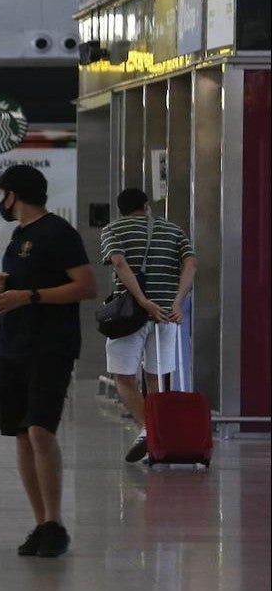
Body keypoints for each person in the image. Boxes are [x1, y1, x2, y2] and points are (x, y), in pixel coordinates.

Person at [0, 165, 96, 558]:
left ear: (14, 195)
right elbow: (29, 283)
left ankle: (54, 521)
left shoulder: (58, 233)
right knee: (20, 432)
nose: (1, 201)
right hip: (12, 346)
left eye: (3, 194)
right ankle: (40, 524)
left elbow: (85, 285)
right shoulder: (19, 236)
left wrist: (28, 296)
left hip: (49, 347)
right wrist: (7, 287)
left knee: (40, 431)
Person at [99, 188, 197, 463]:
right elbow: (191, 263)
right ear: (146, 205)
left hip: (129, 314)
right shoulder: (173, 230)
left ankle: (151, 431)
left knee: (124, 378)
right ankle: (157, 433)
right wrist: (177, 302)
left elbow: (118, 262)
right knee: (156, 378)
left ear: (122, 209)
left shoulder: (113, 229)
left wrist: (142, 300)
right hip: (166, 314)